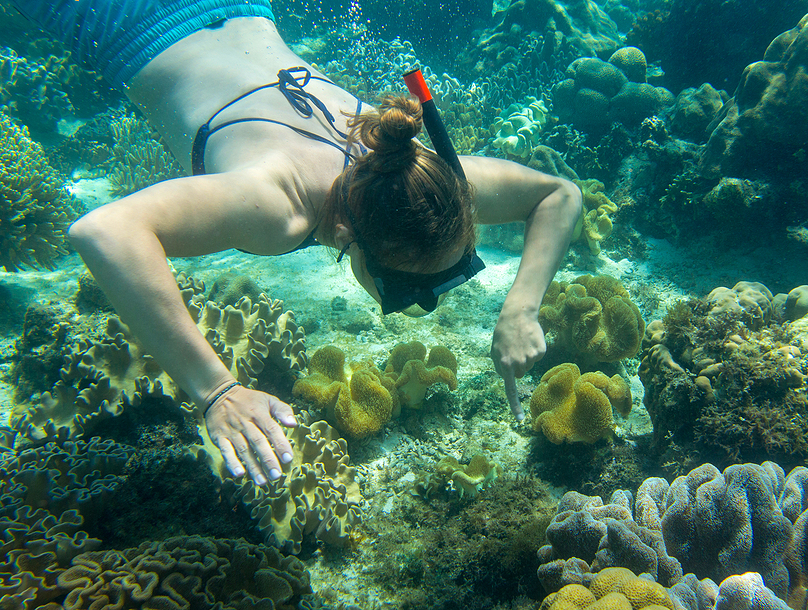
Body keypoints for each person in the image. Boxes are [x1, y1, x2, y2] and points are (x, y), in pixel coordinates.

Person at [10, 0, 582, 486]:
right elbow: (103, 230)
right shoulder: (278, 208)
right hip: (125, 20)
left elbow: (558, 194)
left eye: (454, 272)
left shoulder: (427, 177)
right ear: (343, 237)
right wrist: (215, 391)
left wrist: (522, 305)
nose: (423, 301)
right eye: (405, 287)